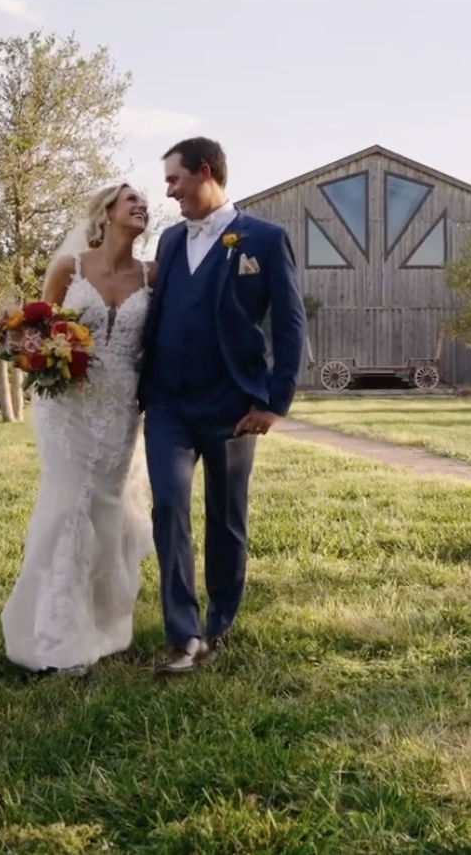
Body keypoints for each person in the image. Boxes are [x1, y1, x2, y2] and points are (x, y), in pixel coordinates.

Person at [139, 137, 306, 674]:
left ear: (204, 172)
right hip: (167, 402)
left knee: (226, 517)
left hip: (233, 405)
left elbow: (288, 323)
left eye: (175, 180)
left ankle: (221, 620)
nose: (169, 193)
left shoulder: (264, 239)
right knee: (168, 507)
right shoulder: (167, 242)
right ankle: (185, 635)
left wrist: (274, 402)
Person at [0, 183, 156, 675]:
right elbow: (37, 329)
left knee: (106, 514)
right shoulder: (70, 268)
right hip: (68, 406)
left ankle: (105, 628)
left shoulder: (153, 275)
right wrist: (41, 352)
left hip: (121, 409)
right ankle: (56, 635)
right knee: (68, 505)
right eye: (131, 200)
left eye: (146, 203)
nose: (142, 206)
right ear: (105, 212)